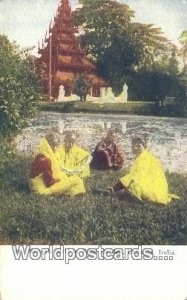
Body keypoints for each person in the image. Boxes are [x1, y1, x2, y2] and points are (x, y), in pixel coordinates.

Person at [111, 136, 179, 204]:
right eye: (134, 145)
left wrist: (128, 185)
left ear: (144, 147)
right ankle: (113, 191)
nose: (136, 148)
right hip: (156, 188)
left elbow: (139, 175)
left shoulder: (144, 157)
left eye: (139, 146)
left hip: (153, 189)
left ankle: (113, 192)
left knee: (130, 183)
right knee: (129, 182)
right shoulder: (144, 156)